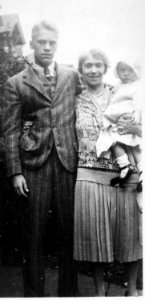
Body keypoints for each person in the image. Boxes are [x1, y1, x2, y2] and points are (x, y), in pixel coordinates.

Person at [3, 21, 82, 297]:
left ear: (56, 44)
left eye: (51, 42)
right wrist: (15, 172)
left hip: (67, 163)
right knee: (33, 235)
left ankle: (68, 293)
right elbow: (10, 128)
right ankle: (34, 294)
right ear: (32, 44)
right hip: (33, 166)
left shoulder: (71, 76)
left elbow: (89, 106)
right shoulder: (16, 83)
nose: (47, 47)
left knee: (68, 234)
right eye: (41, 42)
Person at [73, 49, 142, 296]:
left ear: (105, 68)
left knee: (131, 237)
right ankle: (100, 292)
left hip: (125, 174)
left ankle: (133, 291)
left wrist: (136, 127)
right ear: (81, 70)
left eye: (98, 65)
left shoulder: (121, 93)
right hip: (89, 175)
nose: (93, 70)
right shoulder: (75, 100)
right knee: (95, 240)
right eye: (88, 65)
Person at [96, 58, 142, 191]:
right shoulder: (117, 86)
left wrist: (136, 118)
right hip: (116, 117)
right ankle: (125, 166)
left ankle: (139, 171)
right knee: (115, 141)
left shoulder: (138, 86)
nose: (126, 74)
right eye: (122, 70)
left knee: (133, 145)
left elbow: (139, 104)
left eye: (129, 70)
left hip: (128, 117)